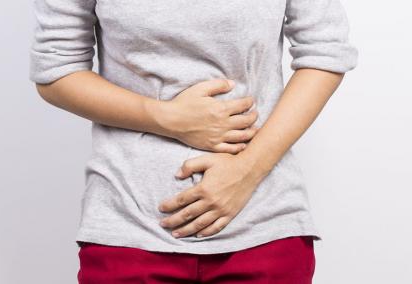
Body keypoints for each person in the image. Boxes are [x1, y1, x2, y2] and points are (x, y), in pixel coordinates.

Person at [29, 0, 358, 283]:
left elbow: (325, 52)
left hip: (264, 224)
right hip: (129, 224)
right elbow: (56, 69)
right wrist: (168, 118)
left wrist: (248, 170)